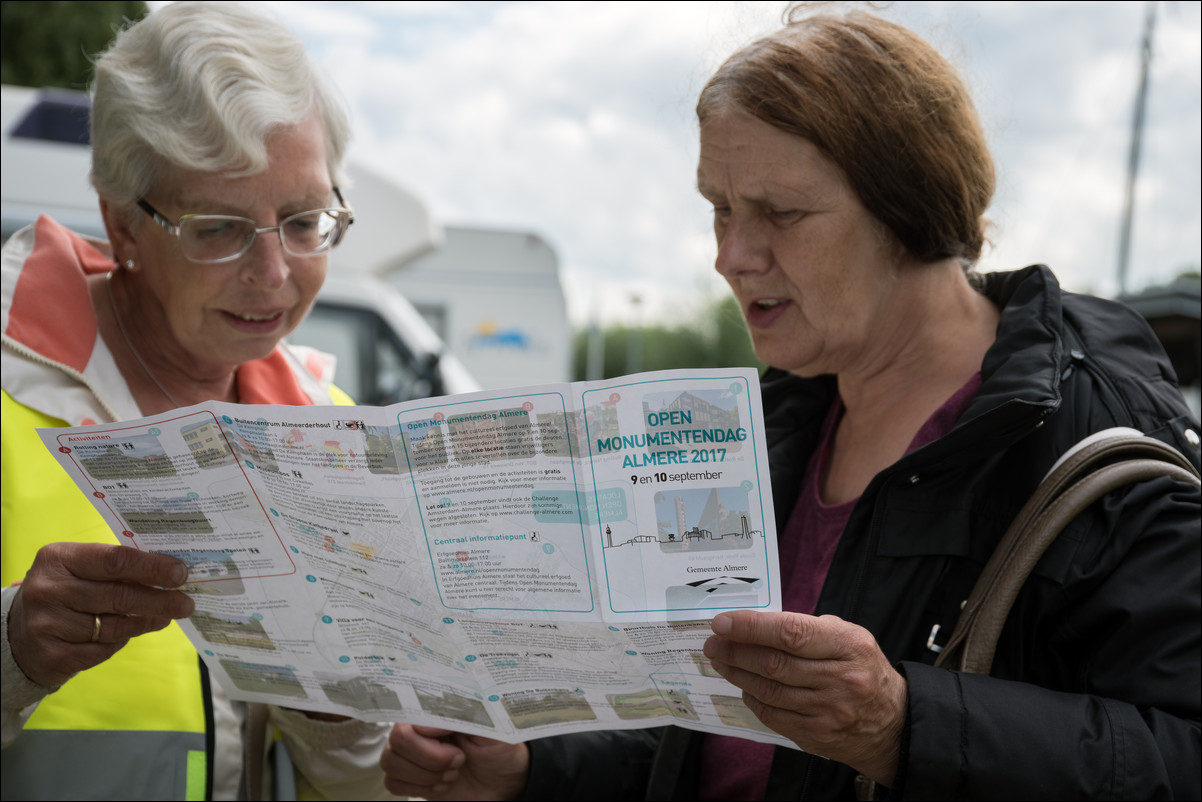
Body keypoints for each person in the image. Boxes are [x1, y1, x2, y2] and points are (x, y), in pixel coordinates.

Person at [379, 6, 1201, 800]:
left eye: (782, 212)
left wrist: (903, 725)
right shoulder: (770, 428)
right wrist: (532, 773)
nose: (731, 256)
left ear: (909, 207)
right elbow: (714, 749)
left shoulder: (1095, 431)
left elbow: (1183, 755)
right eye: (720, 209)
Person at [1, 3, 399, 799]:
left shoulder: (330, 428)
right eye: (219, 230)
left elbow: (368, 789)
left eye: (303, 221)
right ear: (123, 228)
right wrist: (11, 653)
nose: (275, 275)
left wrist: (340, 712)